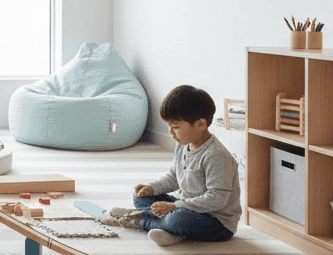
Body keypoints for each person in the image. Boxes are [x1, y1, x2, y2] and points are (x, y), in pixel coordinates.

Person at [100, 85, 241, 246]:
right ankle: (169, 230)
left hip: (216, 222)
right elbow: (174, 176)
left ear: (200, 125)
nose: (170, 132)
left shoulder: (217, 156)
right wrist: (152, 188)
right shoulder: (183, 143)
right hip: (185, 205)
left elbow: (217, 200)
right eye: (169, 126)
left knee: (178, 219)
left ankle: (143, 220)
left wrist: (175, 206)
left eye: (175, 127)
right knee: (140, 196)